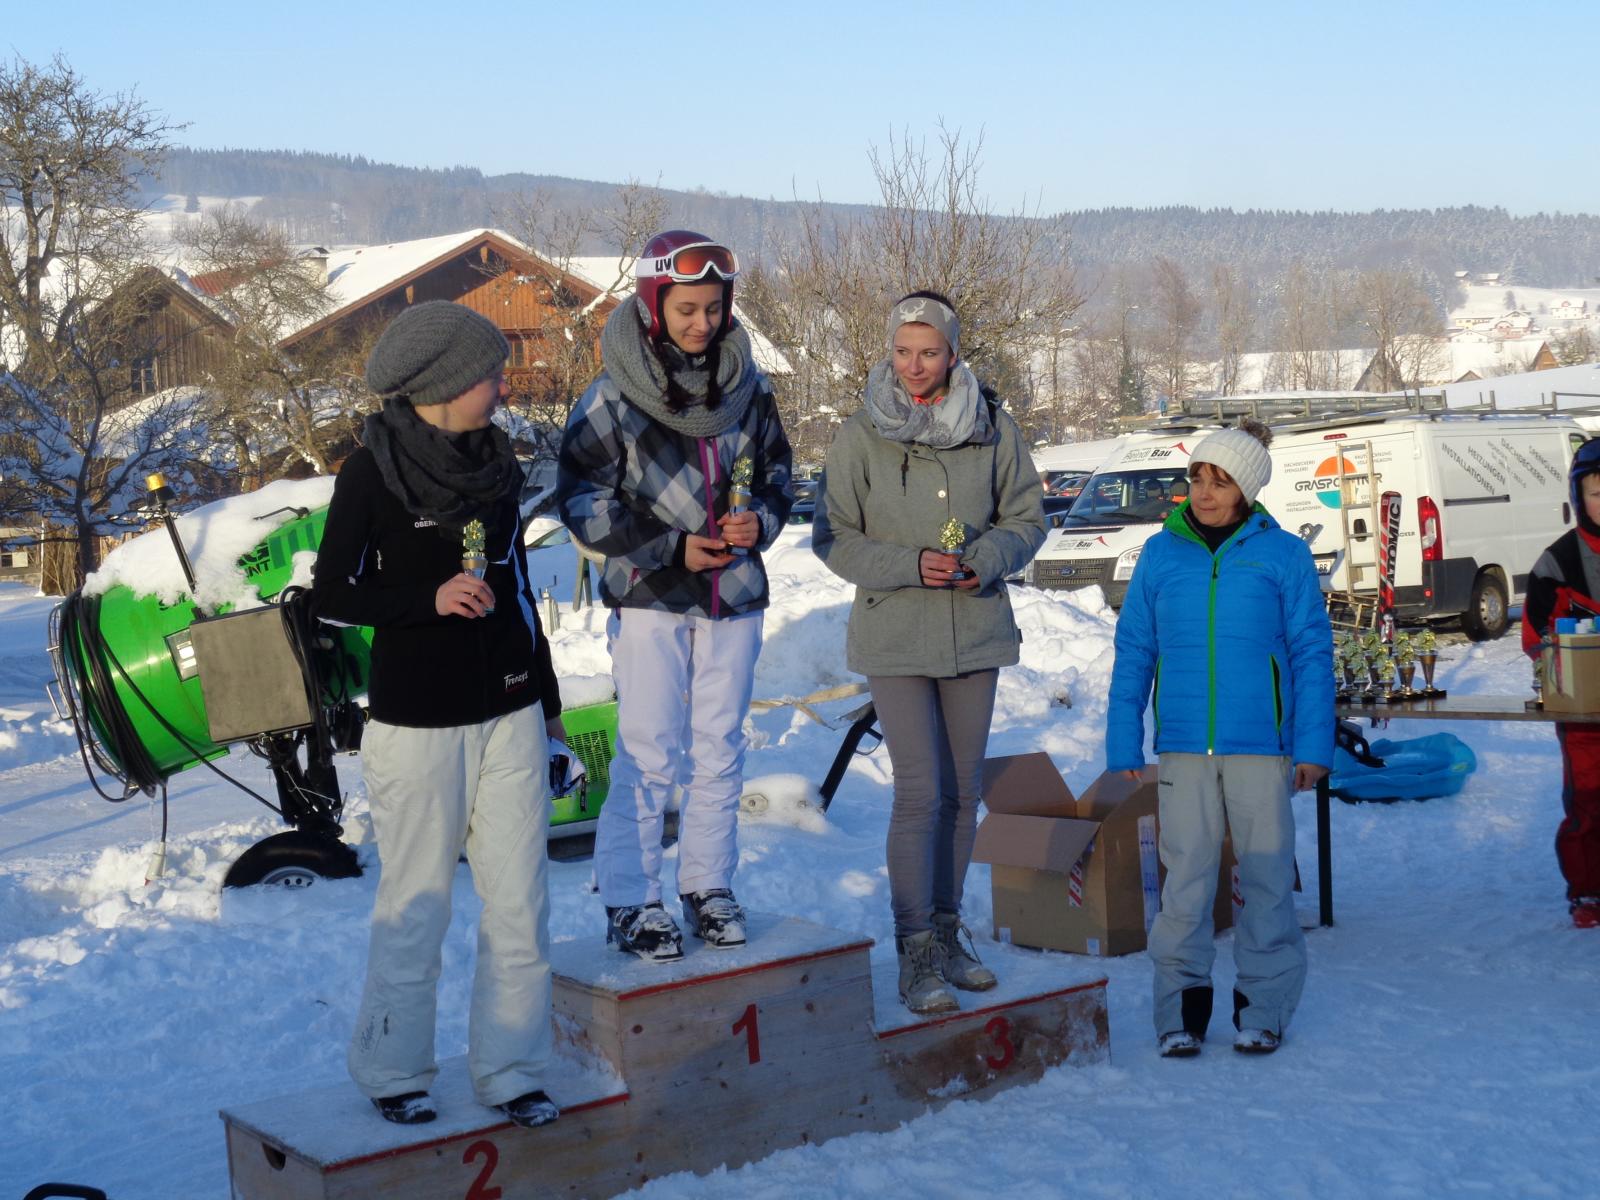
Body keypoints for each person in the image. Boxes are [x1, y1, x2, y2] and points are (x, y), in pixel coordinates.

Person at [313, 300, 563, 1128]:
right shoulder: (370, 471)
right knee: (418, 903)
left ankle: (513, 1071)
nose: (504, 386)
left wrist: (550, 710)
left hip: (510, 711)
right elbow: (332, 595)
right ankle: (394, 1072)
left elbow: (517, 591)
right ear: (448, 382)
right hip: (418, 723)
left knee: (522, 902)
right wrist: (427, 598)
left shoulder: (498, 466)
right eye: (492, 373)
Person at [557, 230, 792, 963]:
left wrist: (761, 522)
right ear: (653, 304)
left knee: (719, 748)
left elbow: (780, 478)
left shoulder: (749, 389)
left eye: (714, 308)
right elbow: (581, 504)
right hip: (650, 595)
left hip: (732, 594)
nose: (702, 323)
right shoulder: (612, 396)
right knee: (649, 751)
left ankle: (707, 884)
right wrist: (669, 546)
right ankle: (631, 898)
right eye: (687, 309)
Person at [813, 291, 1046, 1014]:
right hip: (894, 634)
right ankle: (914, 948)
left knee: (962, 793)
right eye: (903, 351)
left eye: (930, 352)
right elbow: (832, 537)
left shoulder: (992, 429)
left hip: (974, 628)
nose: (914, 365)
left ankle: (948, 934)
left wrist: (988, 559)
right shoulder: (860, 434)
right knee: (919, 792)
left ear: (953, 354)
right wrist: (909, 565)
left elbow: (1027, 517)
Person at [1106, 420, 1332, 1058]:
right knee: (1186, 881)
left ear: (1247, 490)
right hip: (1184, 745)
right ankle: (1179, 1011)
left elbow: (1312, 651)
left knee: (1266, 881)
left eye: (1220, 481)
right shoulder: (1160, 554)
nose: (1204, 493)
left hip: (1263, 745)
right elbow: (1135, 649)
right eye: (1197, 478)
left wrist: (1314, 745)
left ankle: (1264, 1008)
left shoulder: (1282, 554)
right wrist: (1123, 737)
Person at [1522, 437, 1600, 929]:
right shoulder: (1558, 563)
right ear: (1579, 497)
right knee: (1589, 801)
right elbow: (1536, 635)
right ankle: (1588, 891)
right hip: (1584, 714)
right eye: (1597, 493)